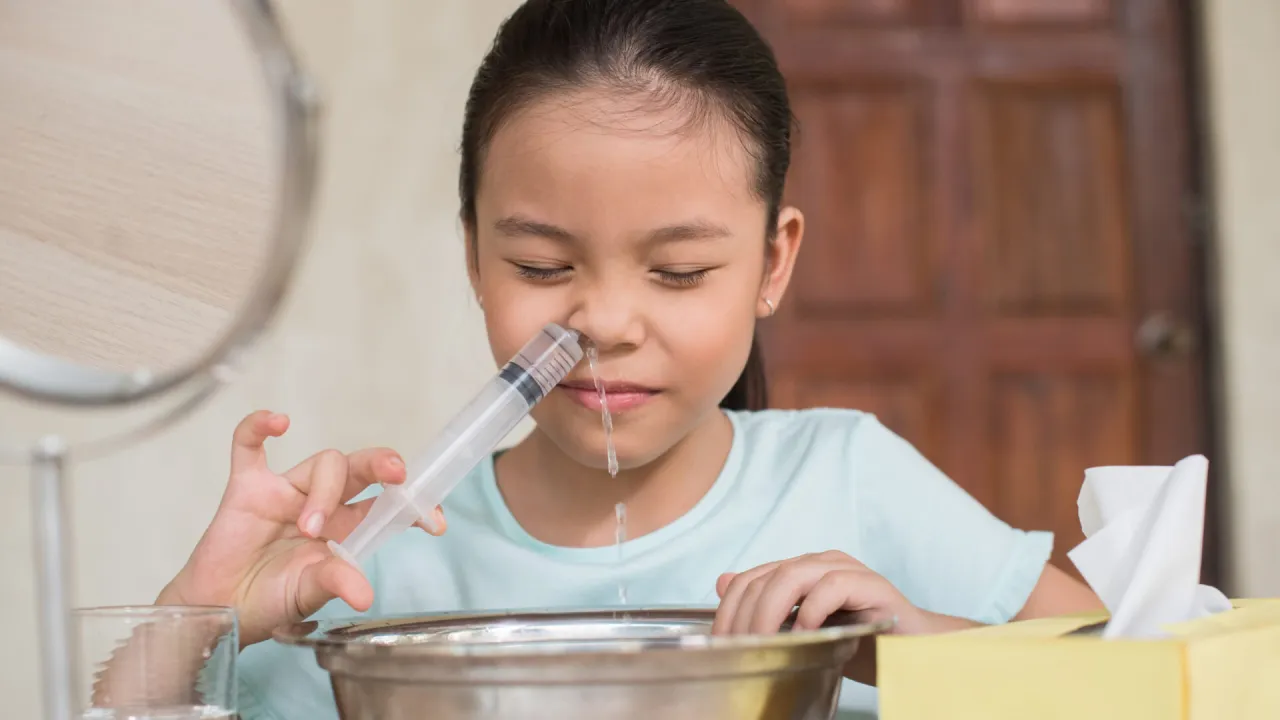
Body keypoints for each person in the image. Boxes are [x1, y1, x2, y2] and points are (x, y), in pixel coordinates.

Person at [156, 0, 1103, 717]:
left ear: (773, 264)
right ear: (474, 258)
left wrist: (923, 648)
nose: (602, 320)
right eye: (541, 264)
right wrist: (198, 616)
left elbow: (1147, 678)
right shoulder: (376, 571)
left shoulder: (853, 478)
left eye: (680, 272)